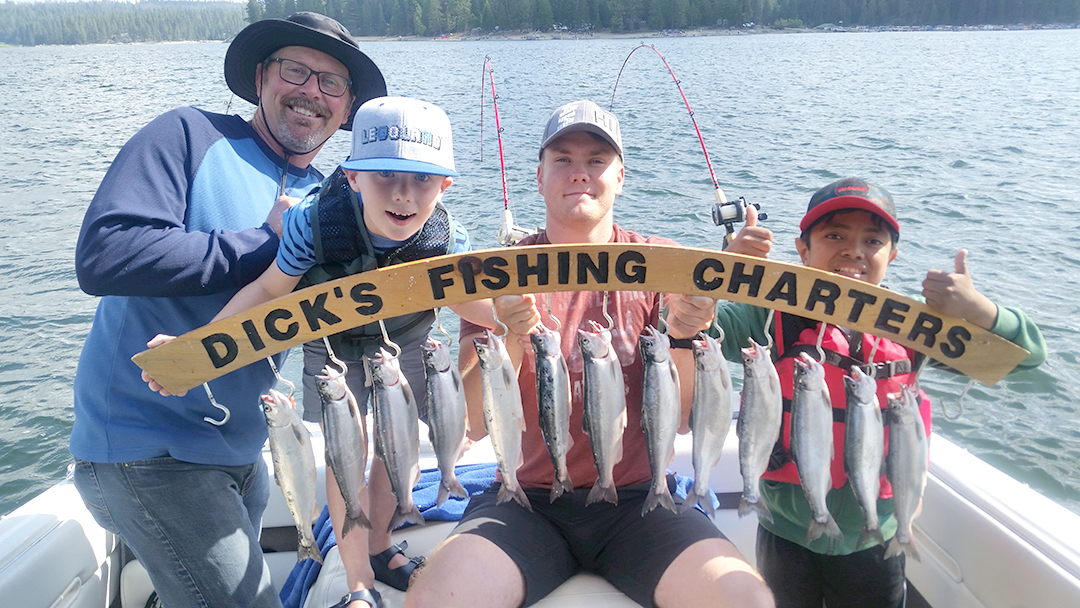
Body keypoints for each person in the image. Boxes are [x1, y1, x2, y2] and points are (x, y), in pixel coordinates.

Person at [404, 100, 775, 608]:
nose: (579, 173)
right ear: (539, 177)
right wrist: (507, 333)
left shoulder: (663, 265)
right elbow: (470, 423)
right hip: (525, 502)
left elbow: (686, 418)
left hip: (642, 500)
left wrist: (685, 336)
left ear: (620, 177)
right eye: (563, 159)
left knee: (748, 600)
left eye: (596, 160)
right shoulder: (499, 273)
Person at [71, 13, 386, 608]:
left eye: (332, 83)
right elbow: (104, 253)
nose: (311, 92)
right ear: (261, 76)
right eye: (296, 70)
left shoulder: (329, 198)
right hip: (150, 453)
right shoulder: (188, 135)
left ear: (347, 108)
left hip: (248, 452)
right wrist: (265, 243)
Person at [205, 95, 494, 608]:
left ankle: (381, 543)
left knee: (397, 449)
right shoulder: (313, 223)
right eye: (385, 175)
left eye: (422, 179)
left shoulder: (449, 238)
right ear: (354, 176)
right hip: (332, 350)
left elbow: (469, 301)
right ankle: (359, 581)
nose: (403, 194)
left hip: (407, 340)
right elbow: (270, 290)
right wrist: (203, 345)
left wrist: (514, 316)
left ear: (444, 186)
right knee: (346, 457)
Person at [714, 177, 1048, 608]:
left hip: (876, 539)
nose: (854, 251)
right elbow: (681, 327)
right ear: (802, 250)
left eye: (872, 240)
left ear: (892, 255)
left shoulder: (914, 327)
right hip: (785, 532)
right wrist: (725, 271)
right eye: (835, 236)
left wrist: (980, 311)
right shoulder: (766, 316)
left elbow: (1025, 360)